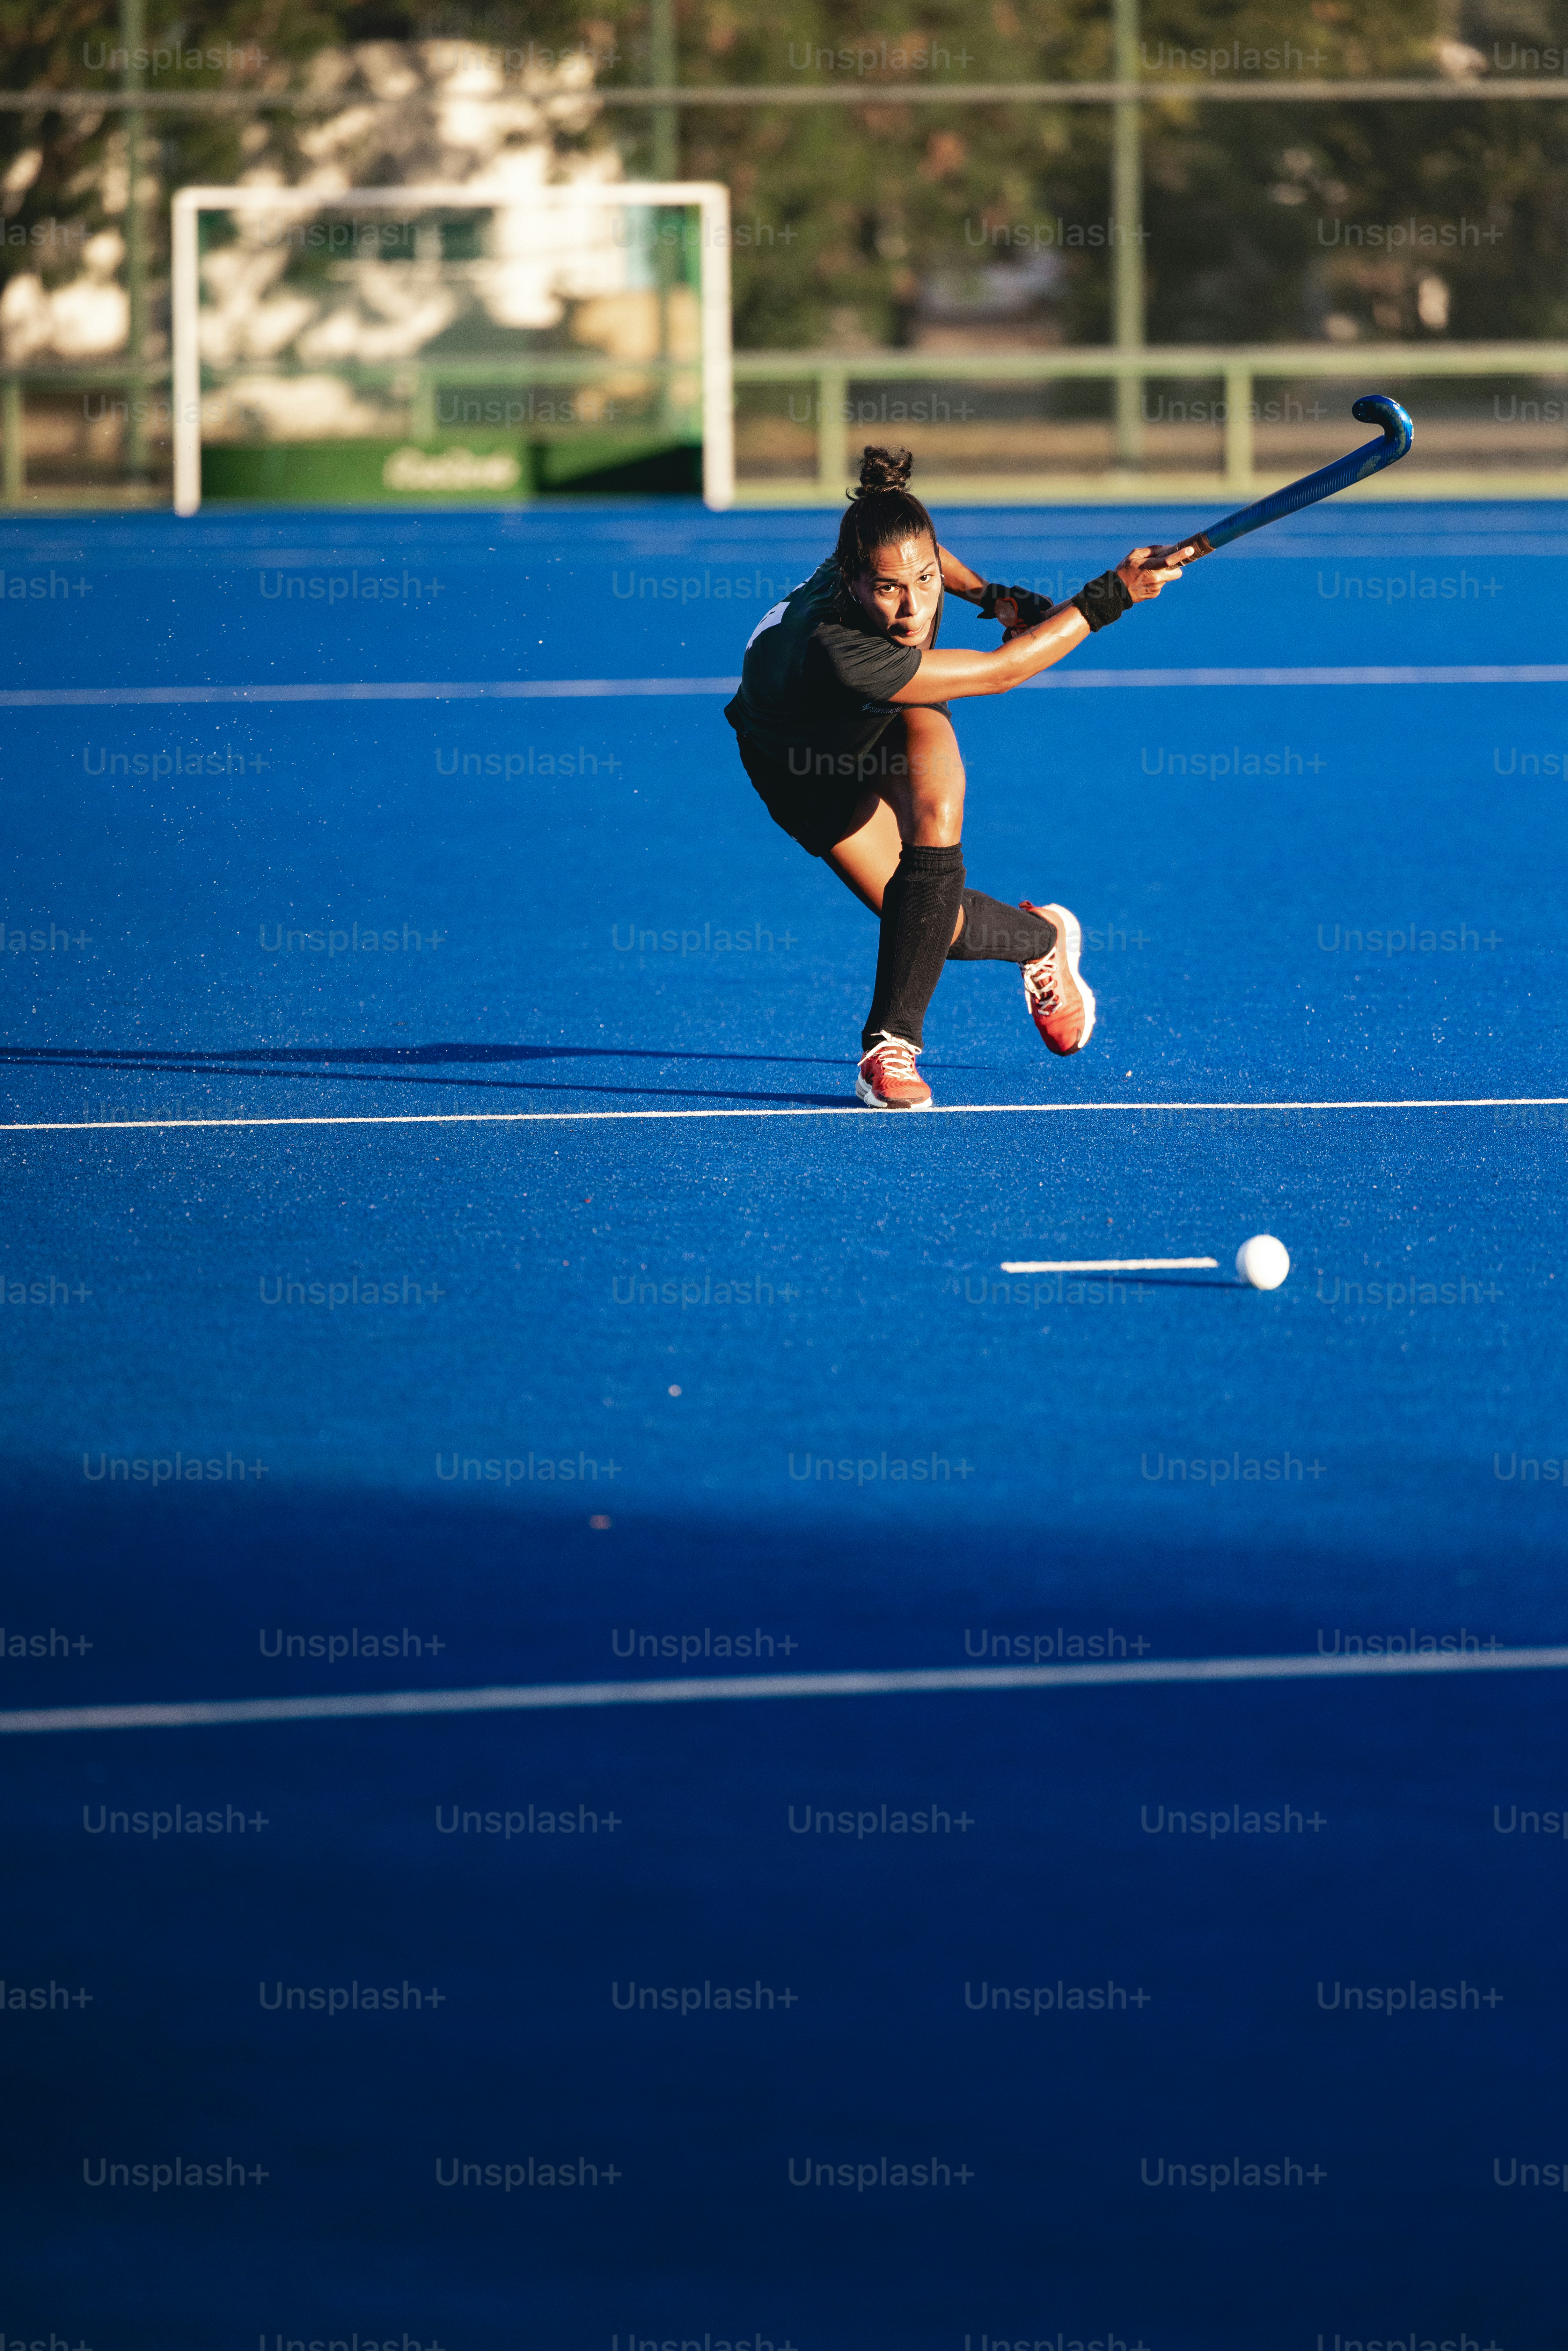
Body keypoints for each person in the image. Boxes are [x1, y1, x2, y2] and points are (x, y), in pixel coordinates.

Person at [723, 445, 1187, 1107]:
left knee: (936, 815)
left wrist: (991, 596)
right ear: (853, 582)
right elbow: (1001, 674)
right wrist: (1113, 593)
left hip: (888, 715)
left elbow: (928, 559)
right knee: (925, 927)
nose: (911, 609)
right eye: (887, 589)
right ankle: (1042, 938)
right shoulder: (839, 651)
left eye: (922, 583)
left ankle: (889, 1049)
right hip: (797, 766)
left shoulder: (892, 559)